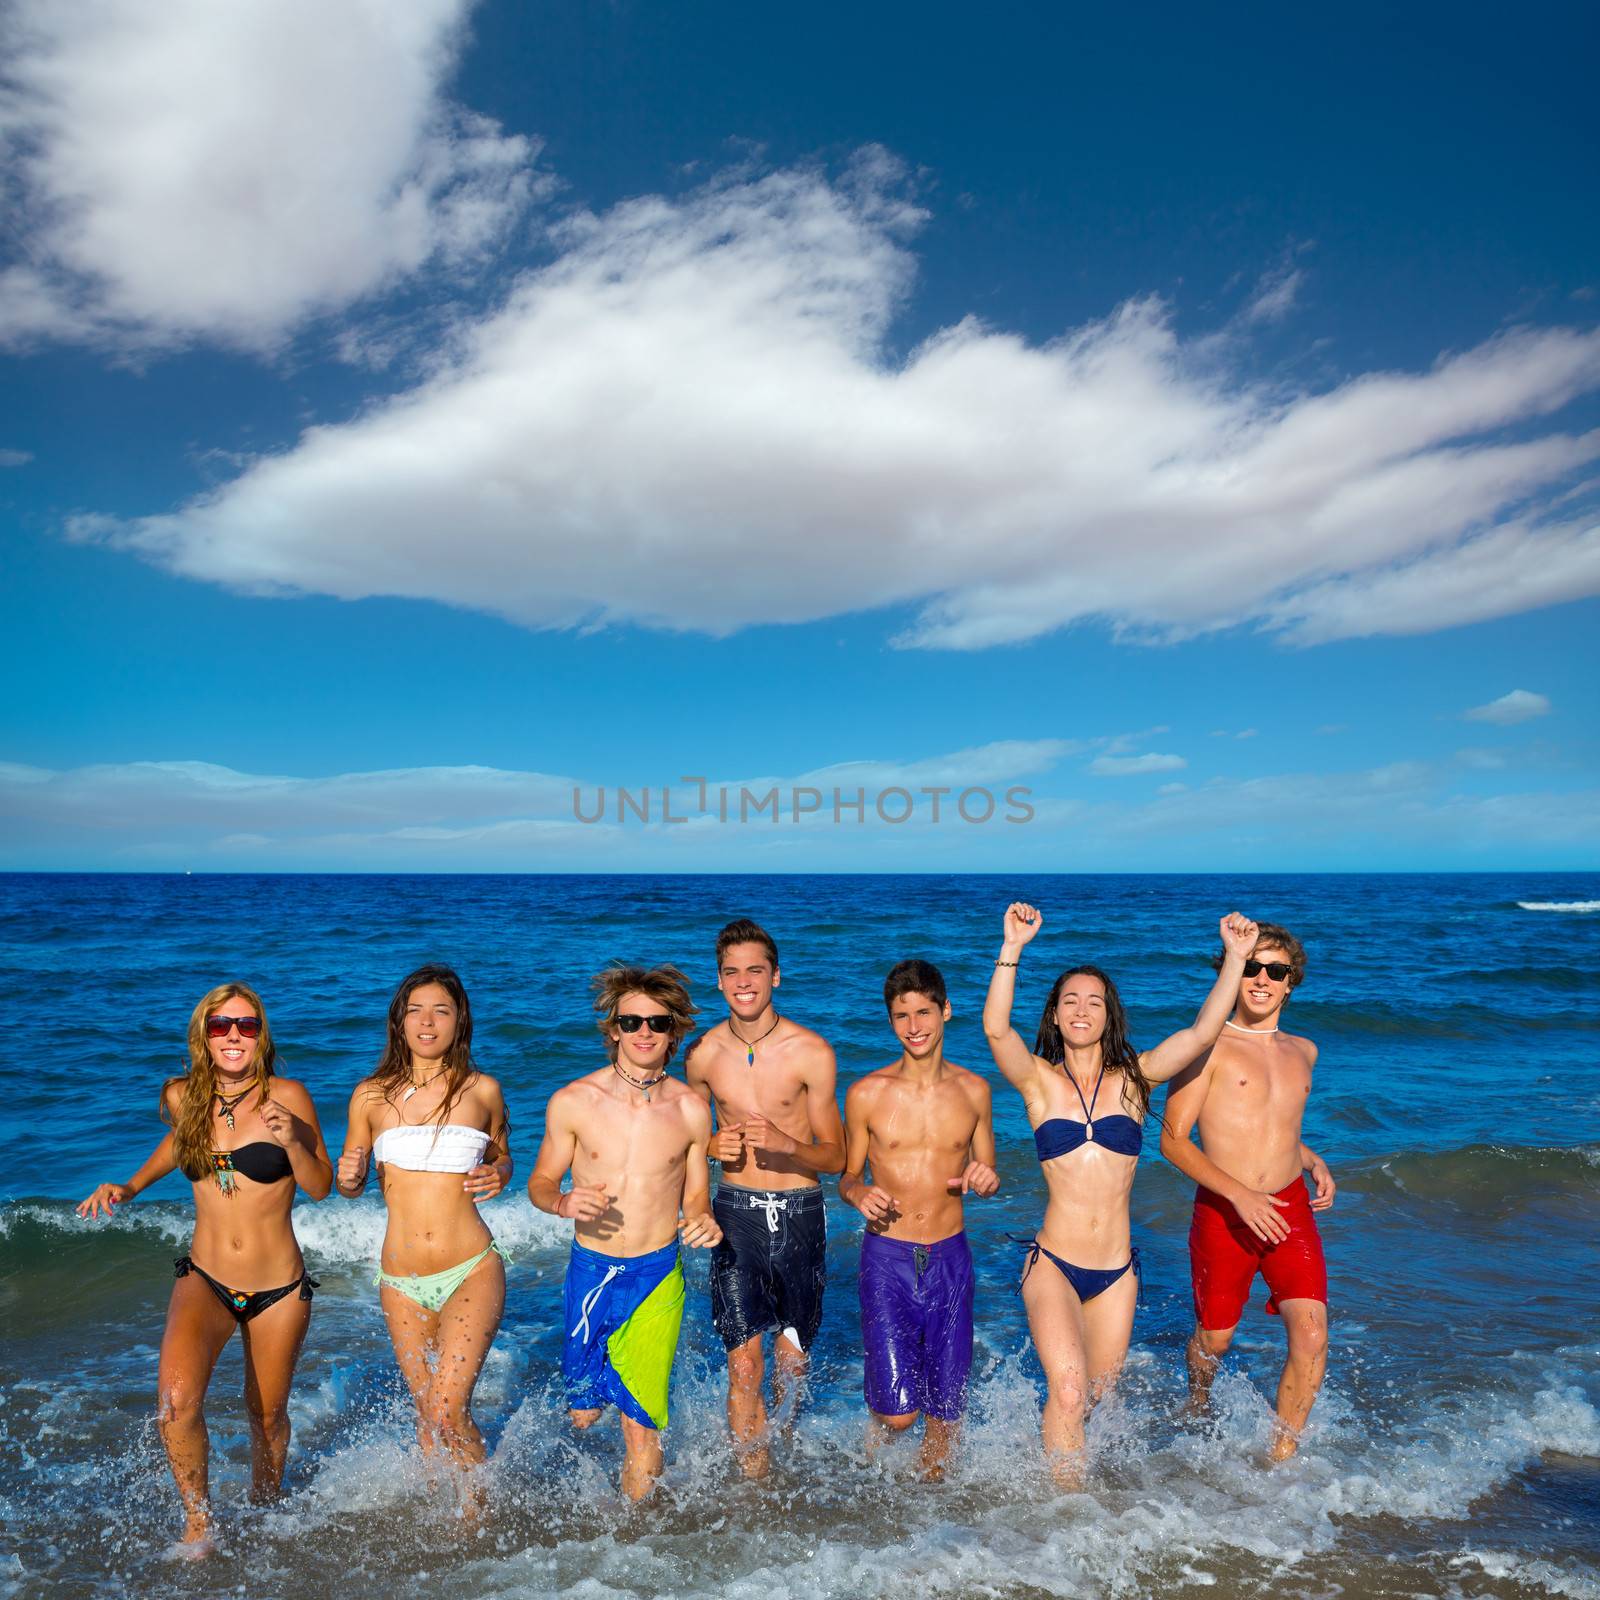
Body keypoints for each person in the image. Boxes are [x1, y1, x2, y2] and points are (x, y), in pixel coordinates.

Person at [983, 903, 1288, 1486]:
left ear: (1109, 1016)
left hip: (1116, 1274)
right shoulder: (1039, 1083)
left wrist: (1235, 958)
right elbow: (997, 1028)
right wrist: (1012, 947)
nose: (1081, 1009)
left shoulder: (1137, 1080)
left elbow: (1202, 1033)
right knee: (1069, 1392)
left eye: (1094, 1001)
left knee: (1093, 1399)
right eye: (1070, 1000)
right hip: (1054, 1263)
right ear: (1054, 1012)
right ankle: (1066, 1518)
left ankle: (1047, 1474)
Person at [77, 983, 332, 1549]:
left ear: (261, 1034)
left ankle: (267, 1505)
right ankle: (201, 1524)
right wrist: (131, 1185)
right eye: (221, 1026)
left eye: (246, 1025)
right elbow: (179, 1142)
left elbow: (321, 1185)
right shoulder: (181, 1094)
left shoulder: (289, 1095)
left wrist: (291, 1140)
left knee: (266, 1417)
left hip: (279, 1289)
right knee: (175, 1406)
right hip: (205, 1278)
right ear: (204, 1035)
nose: (234, 1036)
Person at [527, 963, 723, 1501]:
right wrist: (562, 1200)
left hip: (658, 1274)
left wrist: (703, 1221)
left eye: (657, 1023)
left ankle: (636, 1545)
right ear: (613, 1027)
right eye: (631, 1021)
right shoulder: (574, 1101)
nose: (643, 1032)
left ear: (673, 1032)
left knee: (641, 1425)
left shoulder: (690, 1109)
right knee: (585, 1413)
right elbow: (540, 1183)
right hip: (592, 1269)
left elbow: (697, 1196)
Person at [1159, 922, 1334, 1461]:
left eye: (1275, 971)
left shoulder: (1305, 1050)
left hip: (1288, 1208)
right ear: (1232, 975)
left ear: (1290, 984)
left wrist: (1309, 1157)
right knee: (1216, 1339)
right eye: (1251, 968)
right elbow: (1171, 1140)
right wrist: (1240, 1195)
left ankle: (1282, 1458)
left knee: (1311, 1332)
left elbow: (1272, 1123)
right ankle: (1197, 1398)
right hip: (1224, 1210)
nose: (1261, 979)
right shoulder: (1205, 1047)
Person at [336, 964, 512, 1478]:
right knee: (429, 1419)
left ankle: (478, 1518)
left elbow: (502, 1153)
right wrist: (349, 1177)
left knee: (445, 1410)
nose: (427, 1022)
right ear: (399, 1022)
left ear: (460, 1021)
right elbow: (349, 1184)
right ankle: (439, 1525)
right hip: (401, 1281)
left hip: (471, 1268)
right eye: (415, 1011)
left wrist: (500, 1170)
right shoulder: (370, 1096)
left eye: (441, 1010)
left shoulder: (482, 1091)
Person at [685, 917, 845, 1478]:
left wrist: (786, 1143)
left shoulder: (812, 1052)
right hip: (736, 1215)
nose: (744, 982)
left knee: (790, 1362)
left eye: (755, 970)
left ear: (776, 975)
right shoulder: (702, 1054)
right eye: (732, 972)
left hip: (801, 1212)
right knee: (744, 1364)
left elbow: (837, 1156)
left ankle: (784, 1448)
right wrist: (711, 1143)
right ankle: (754, 1484)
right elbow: (682, 1136)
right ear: (720, 981)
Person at [840, 959, 999, 1481]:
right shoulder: (867, 1093)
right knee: (899, 1414)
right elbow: (847, 1178)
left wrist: (984, 1179)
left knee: (945, 1410)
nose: (914, 1026)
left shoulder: (975, 1091)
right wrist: (859, 1191)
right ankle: (874, 1447)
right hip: (887, 1258)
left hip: (951, 1256)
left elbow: (988, 1171)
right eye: (901, 1015)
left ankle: (929, 1513)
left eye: (923, 1012)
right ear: (890, 1021)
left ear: (945, 1011)